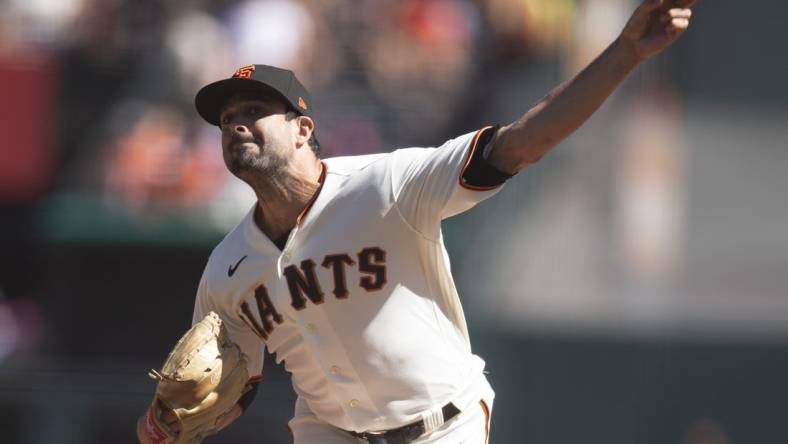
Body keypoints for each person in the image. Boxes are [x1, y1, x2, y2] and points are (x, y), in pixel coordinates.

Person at [137, 1, 695, 442]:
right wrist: (166, 423)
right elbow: (229, 385)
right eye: (228, 118)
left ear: (304, 130)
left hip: (441, 423)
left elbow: (525, 140)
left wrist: (623, 53)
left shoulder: (388, 186)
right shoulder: (226, 269)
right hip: (328, 431)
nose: (236, 125)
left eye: (255, 112)